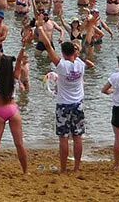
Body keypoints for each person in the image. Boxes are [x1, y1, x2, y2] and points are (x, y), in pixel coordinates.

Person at [36, 24, 93, 174]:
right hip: (78, 104)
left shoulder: (62, 66)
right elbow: (87, 44)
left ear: (63, 53)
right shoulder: (81, 64)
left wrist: (40, 28)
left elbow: (48, 46)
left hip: (63, 105)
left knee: (63, 138)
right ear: (74, 52)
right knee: (78, 136)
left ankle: (63, 169)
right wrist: (91, 25)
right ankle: (76, 167)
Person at [0, 40, 27, 176]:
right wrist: (24, 46)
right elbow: (19, 61)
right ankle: (26, 171)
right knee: (19, 144)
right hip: (13, 110)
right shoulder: (14, 78)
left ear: (1, 67)